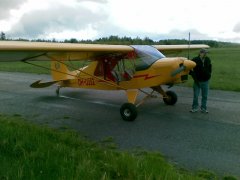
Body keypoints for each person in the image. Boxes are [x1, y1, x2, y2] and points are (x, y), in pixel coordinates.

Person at [189, 48, 212, 113]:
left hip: (205, 81)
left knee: (205, 96)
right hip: (197, 81)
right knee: (196, 96)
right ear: (200, 53)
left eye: (206, 53)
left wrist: (209, 74)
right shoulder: (195, 59)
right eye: (204, 53)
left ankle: (203, 108)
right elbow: (189, 67)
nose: (205, 54)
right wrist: (192, 74)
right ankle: (194, 108)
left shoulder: (207, 59)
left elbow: (210, 67)